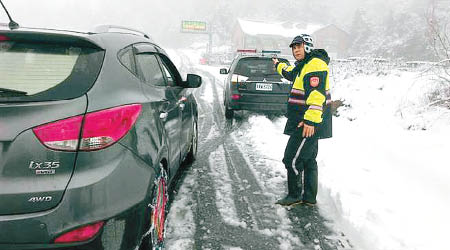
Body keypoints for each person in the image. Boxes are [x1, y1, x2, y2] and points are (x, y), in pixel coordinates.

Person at [272, 34, 332, 206]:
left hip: (306, 122)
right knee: (308, 159)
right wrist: (278, 65)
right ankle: (309, 197)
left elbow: (316, 95)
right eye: (293, 47)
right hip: (306, 120)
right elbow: (289, 73)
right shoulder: (304, 65)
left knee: (291, 159)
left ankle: (294, 195)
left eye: (299, 46)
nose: (296, 50)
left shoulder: (315, 65)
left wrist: (310, 122)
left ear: (307, 47)